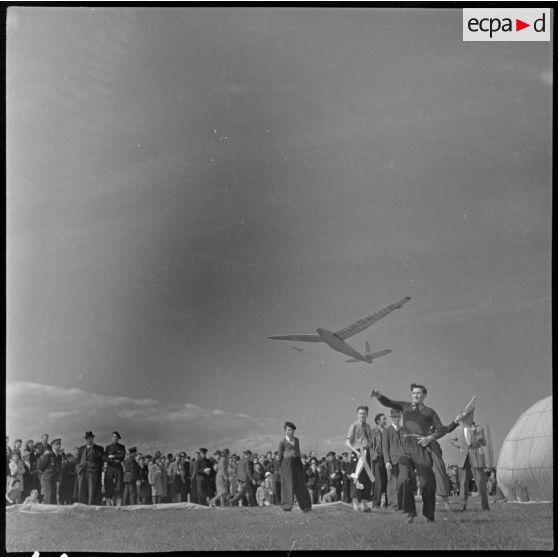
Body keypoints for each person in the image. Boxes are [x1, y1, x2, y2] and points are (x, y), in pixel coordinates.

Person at [370, 384, 459, 523]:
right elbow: (389, 402)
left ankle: (429, 516)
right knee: (403, 479)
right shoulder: (405, 406)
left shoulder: (430, 412)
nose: (415, 395)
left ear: (424, 395)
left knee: (426, 484)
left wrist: (430, 438)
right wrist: (378, 396)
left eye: (418, 393)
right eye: (413, 393)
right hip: (406, 449)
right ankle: (409, 512)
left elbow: (441, 429)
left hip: (421, 448)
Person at [449, 410, 490, 511]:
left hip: (476, 457)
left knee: (480, 482)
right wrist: (459, 446)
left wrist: (476, 433)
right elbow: (450, 439)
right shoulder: (458, 430)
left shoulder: (479, 428)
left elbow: (484, 443)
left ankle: (485, 507)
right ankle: (462, 507)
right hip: (463, 458)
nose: (464, 419)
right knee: (462, 483)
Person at [277, 421, 311, 513]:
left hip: (297, 462)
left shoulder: (297, 440)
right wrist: (280, 469)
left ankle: (306, 506)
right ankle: (287, 507)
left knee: (301, 485)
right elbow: (280, 457)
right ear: (285, 431)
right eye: (289, 430)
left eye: (292, 430)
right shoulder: (282, 442)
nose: (291, 432)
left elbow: (298, 452)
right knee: (288, 486)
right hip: (287, 464)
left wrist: (301, 464)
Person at [346, 405, 375, 512]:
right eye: (360, 413)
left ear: (367, 414)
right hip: (357, 453)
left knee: (366, 478)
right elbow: (347, 442)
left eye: (364, 413)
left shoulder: (368, 427)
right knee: (356, 477)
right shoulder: (353, 426)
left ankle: (364, 504)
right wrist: (356, 452)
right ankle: (355, 504)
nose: (362, 415)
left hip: (366, 453)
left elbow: (371, 441)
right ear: (357, 414)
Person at [382, 409, 405, 511]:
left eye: (399, 417)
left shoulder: (403, 430)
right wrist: (387, 461)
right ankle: (392, 505)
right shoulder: (387, 431)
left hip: (403, 461)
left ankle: (402, 505)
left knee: (402, 482)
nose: (397, 419)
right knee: (392, 483)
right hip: (391, 461)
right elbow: (385, 447)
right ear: (391, 418)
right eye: (395, 417)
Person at [76, 431, 104, 505]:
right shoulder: (81, 449)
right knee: (82, 489)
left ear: (93, 438)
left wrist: (95, 468)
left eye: (90, 438)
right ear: (85, 439)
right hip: (82, 472)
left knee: (91, 489)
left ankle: (90, 504)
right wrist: (79, 468)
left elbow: (101, 461)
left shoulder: (99, 448)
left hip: (93, 472)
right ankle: (81, 505)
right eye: (87, 438)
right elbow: (78, 460)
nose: (89, 440)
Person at [37, 437, 64, 504]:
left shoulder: (59, 457)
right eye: (57, 444)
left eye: (60, 444)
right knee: (48, 495)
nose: (59, 446)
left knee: (53, 497)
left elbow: (59, 468)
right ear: (53, 446)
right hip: (47, 479)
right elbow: (41, 467)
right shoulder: (49, 455)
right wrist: (44, 475)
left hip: (54, 479)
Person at [370, 413, 389, 510]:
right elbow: (368, 445)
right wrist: (373, 454)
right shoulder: (373, 431)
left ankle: (387, 504)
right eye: (383, 419)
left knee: (387, 481)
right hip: (377, 458)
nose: (386, 421)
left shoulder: (387, 431)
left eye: (386, 419)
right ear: (378, 421)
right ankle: (376, 504)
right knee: (378, 481)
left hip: (387, 458)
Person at [103, 431, 126, 507]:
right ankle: (108, 503)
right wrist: (113, 459)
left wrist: (112, 456)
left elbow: (122, 456)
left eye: (116, 437)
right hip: (110, 468)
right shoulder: (108, 447)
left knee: (119, 485)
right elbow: (104, 457)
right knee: (108, 484)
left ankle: (119, 504)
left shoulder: (122, 447)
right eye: (113, 437)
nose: (114, 438)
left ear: (118, 438)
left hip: (118, 468)